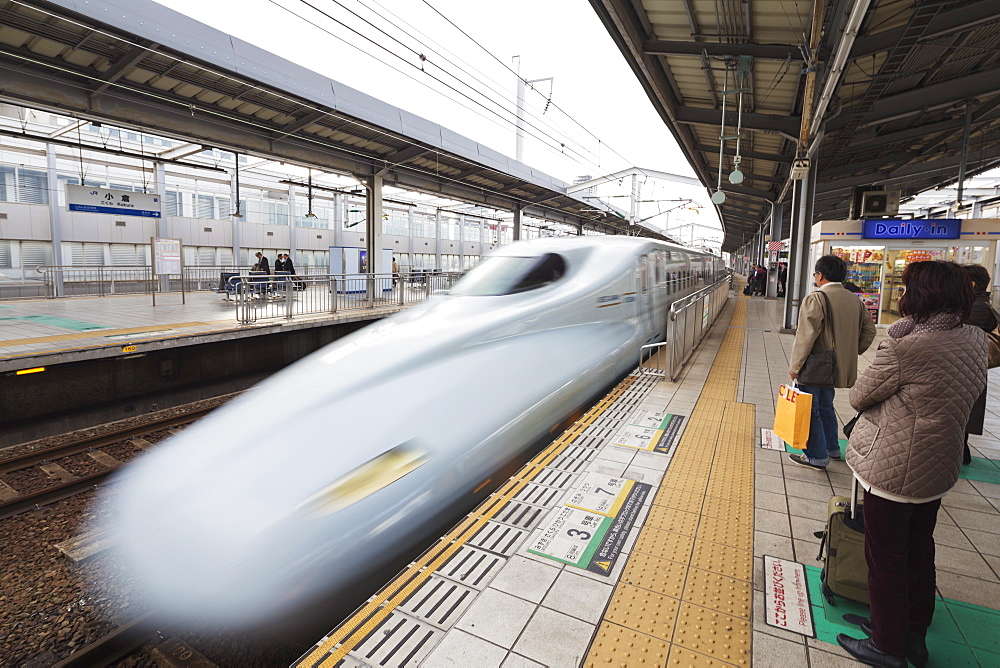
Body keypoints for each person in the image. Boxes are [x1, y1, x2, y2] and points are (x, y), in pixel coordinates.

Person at [837, 261, 988, 668]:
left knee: (885, 557)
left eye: (906, 290)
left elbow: (859, 396)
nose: (901, 297)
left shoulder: (907, 347)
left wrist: (897, 345)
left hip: (894, 468)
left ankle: (888, 647)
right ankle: (911, 636)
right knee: (919, 550)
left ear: (922, 297)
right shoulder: (974, 338)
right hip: (938, 464)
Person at [788, 254, 877, 469]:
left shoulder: (816, 298)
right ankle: (832, 448)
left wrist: (795, 366)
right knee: (826, 406)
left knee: (811, 410)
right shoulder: (854, 299)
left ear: (820, 275)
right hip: (838, 366)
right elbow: (869, 331)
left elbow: (806, 336)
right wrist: (852, 351)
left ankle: (816, 456)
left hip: (817, 366)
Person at [962, 264, 996, 466]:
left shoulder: (977, 308)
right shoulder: (977, 305)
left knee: (964, 414)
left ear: (972, 284)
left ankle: (961, 453)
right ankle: (961, 451)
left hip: (968, 370)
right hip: (968, 369)